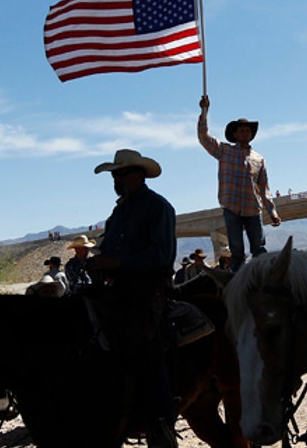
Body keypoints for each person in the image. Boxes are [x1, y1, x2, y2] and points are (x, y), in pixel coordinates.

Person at [85, 148, 178, 448]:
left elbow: (162, 254)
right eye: (115, 174)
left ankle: (162, 422)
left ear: (138, 174)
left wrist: (116, 263)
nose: (117, 179)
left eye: (121, 173)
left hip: (149, 288)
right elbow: (108, 248)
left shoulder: (158, 207)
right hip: (117, 288)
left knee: (143, 339)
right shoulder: (118, 213)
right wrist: (99, 263)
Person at [197, 95, 281, 272]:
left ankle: (262, 278)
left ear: (251, 134)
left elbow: (264, 188)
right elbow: (204, 137)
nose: (245, 133)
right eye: (241, 130)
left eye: (247, 130)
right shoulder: (224, 151)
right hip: (231, 207)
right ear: (234, 134)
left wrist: (271, 211)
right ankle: (237, 284)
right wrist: (204, 111)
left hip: (253, 208)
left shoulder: (259, 159)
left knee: (259, 249)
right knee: (237, 252)